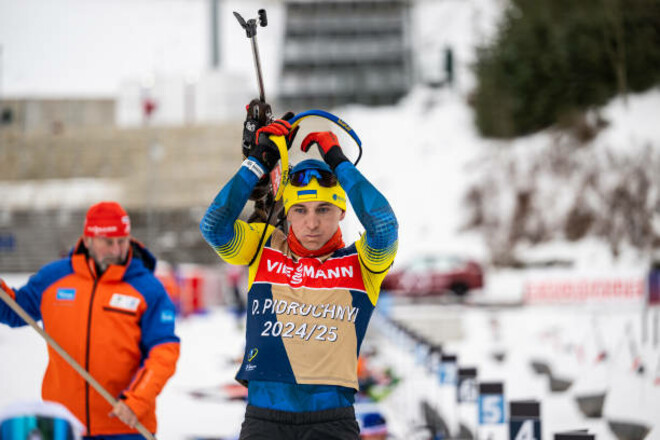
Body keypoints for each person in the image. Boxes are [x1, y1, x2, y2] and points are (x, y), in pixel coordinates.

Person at [199, 115, 398, 439]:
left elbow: (384, 227)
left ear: (341, 212)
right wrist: (257, 162)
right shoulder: (263, 247)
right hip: (264, 419)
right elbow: (214, 228)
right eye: (301, 211)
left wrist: (338, 162)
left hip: (331, 421)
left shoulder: (361, 265)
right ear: (288, 213)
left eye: (323, 209)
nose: (312, 223)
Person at [0, 201, 180, 439]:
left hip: (125, 426)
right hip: (66, 426)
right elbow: (14, 311)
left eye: (122, 241)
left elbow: (163, 352)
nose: (117, 250)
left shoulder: (147, 288)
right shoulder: (54, 278)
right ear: (88, 240)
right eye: (108, 242)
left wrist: (136, 399)